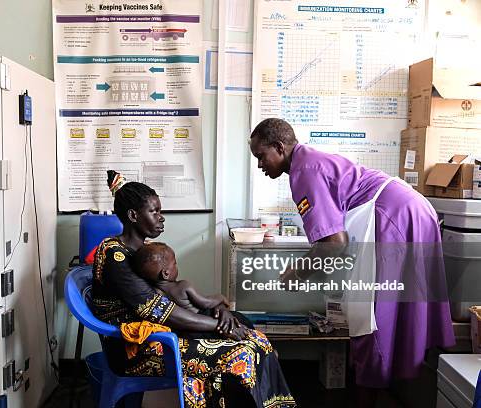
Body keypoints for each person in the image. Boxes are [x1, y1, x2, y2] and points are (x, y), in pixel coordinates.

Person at [249, 118, 455, 402]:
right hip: (409, 210)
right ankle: (393, 391)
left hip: (393, 217)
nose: (260, 165)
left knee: (369, 316)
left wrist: (299, 272)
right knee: (400, 313)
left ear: (279, 147)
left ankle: (371, 397)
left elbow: (334, 243)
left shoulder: (304, 172)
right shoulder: (309, 162)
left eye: (261, 156)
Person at [92, 170, 296, 408]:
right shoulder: (115, 256)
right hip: (137, 349)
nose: (161, 217)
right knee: (243, 351)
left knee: (248, 329)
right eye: (154, 211)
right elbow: (158, 311)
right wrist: (218, 325)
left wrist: (222, 314)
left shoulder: (142, 253)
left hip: (161, 335)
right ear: (133, 215)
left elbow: (171, 297)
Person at [135, 241, 254, 337]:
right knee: (241, 319)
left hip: (186, 332)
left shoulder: (154, 294)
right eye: (175, 263)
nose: (177, 266)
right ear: (166, 273)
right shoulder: (183, 286)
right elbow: (205, 303)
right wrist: (220, 297)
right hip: (203, 321)